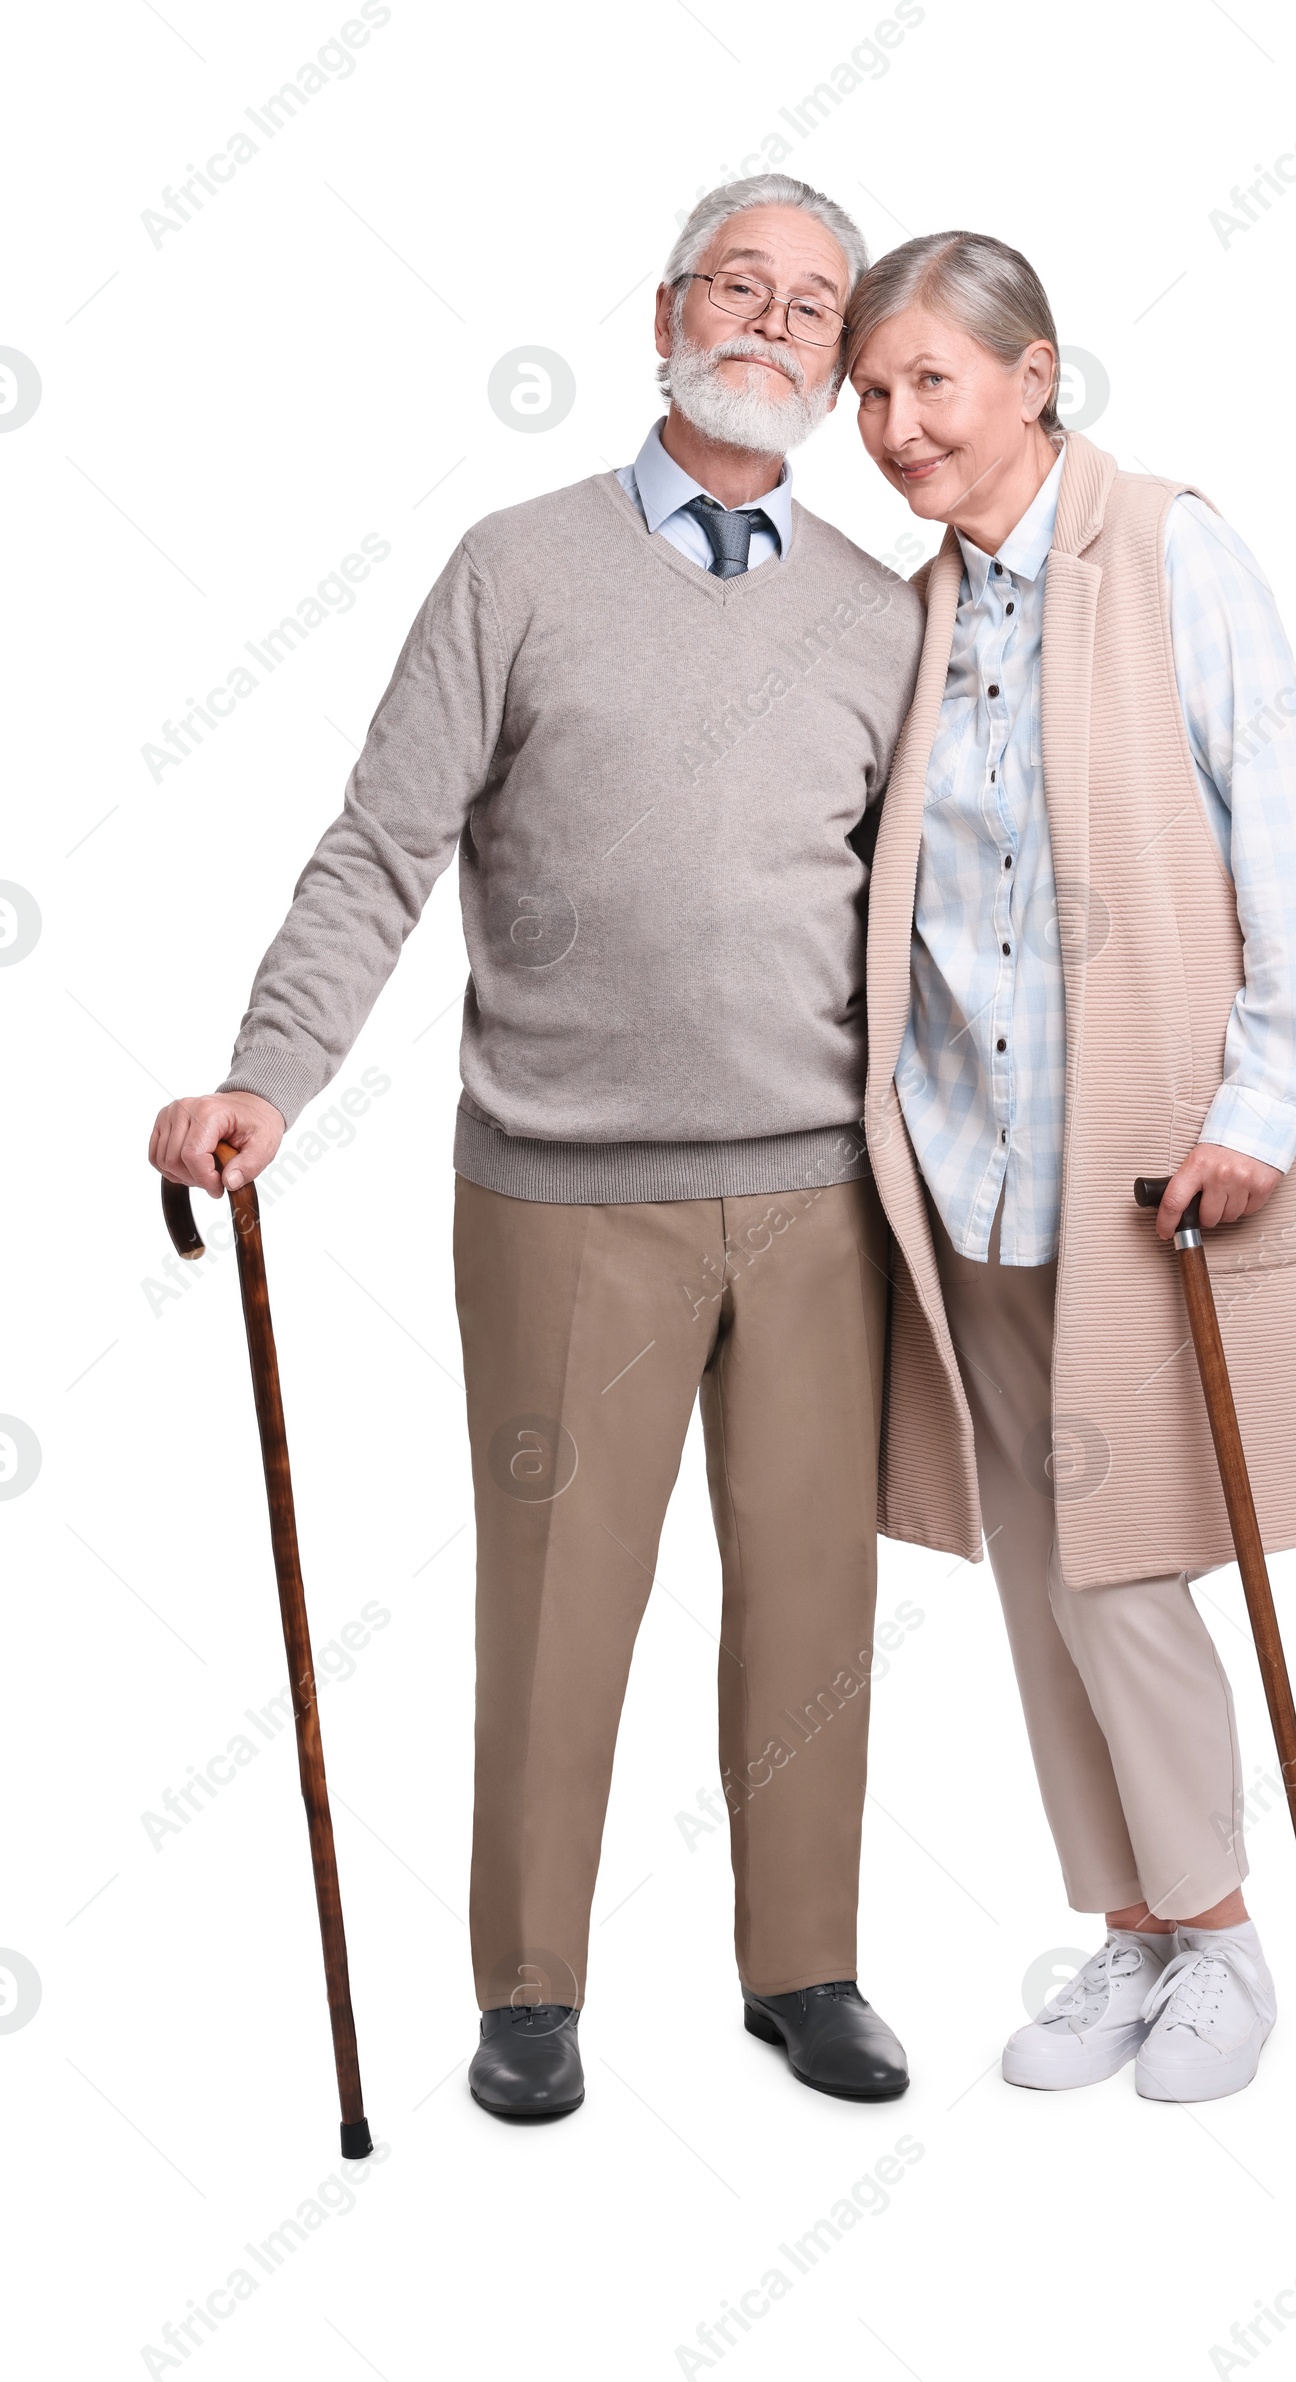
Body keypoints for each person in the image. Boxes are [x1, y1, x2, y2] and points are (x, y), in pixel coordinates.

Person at [148, 176, 924, 2121]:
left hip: (826, 1196)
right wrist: (270, 1070)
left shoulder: (872, 612)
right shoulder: (515, 567)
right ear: (661, 309)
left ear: (836, 365)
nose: (769, 322)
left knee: (812, 1597)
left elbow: (946, 912)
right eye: (736, 285)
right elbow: (381, 843)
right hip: (566, 1197)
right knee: (562, 1593)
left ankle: (803, 1964)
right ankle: (528, 1992)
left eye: (810, 305)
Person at [844, 232, 1296, 2104]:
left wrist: (1260, 1101)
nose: (898, 426)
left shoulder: (1164, 549)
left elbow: (1289, 827)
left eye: (933, 384)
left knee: (1125, 1563)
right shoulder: (918, 606)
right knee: (1039, 1572)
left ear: (1034, 374)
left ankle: (1218, 1933)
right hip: (967, 1177)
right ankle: (1132, 1928)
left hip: (1142, 1171)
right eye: (873, 394)